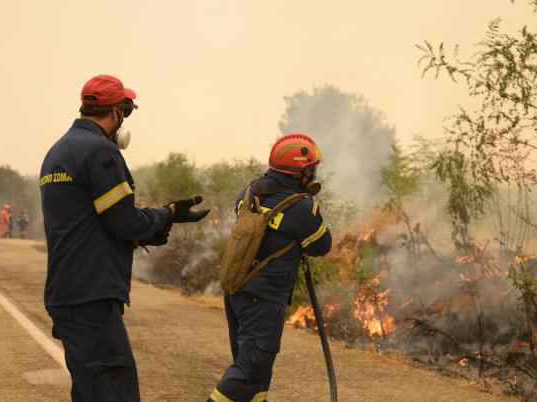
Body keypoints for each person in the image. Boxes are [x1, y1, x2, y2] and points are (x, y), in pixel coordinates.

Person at [40, 74, 210, 402]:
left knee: (90, 390)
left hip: (66, 292)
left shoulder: (57, 152)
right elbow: (124, 221)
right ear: (119, 113)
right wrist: (168, 214)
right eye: (125, 110)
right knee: (115, 389)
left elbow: (86, 223)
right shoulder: (101, 152)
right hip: (92, 294)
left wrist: (146, 230)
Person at [208, 133, 332, 402]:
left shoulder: (249, 191)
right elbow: (322, 246)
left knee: (255, 372)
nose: (313, 174)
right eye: (311, 169)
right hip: (263, 299)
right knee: (249, 372)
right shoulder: (301, 207)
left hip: (237, 290)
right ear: (300, 170)